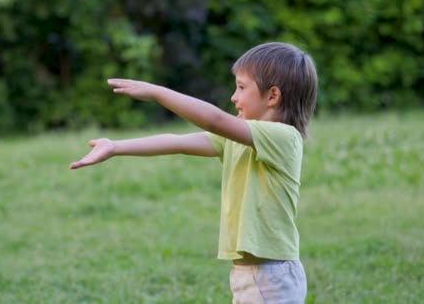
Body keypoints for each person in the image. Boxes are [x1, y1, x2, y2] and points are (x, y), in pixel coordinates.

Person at [70, 42, 318, 303]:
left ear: (272, 96)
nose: (234, 96)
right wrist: (116, 147)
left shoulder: (284, 138)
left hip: (272, 278)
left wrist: (158, 93)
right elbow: (176, 141)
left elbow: (215, 120)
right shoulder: (239, 139)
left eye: (242, 87)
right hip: (250, 274)